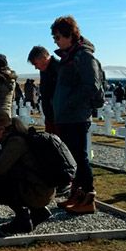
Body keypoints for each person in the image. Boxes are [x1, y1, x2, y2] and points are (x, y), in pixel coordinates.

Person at [0, 111, 55, 234]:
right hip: (40, 187)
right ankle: (38, 212)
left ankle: (23, 220)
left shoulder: (16, 141)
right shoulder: (18, 136)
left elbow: (0, 168)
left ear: (2, 129)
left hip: (38, 191)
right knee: (5, 179)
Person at [50, 15, 101, 214]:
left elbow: (91, 86)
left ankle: (89, 197)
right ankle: (77, 195)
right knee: (72, 158)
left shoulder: (84, 56)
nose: (55, 41)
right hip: (66, 116)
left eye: (58, 37)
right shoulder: (69, 56)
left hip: (77, 116)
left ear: (70, 35)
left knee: (80, 157)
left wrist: (70, 104)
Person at [27, 46, 60, 135]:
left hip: (60, 117)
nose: (35, 67)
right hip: (49, 116)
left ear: (43, 58)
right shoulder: (44, 70)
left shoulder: (59, 68)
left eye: (35, 63)